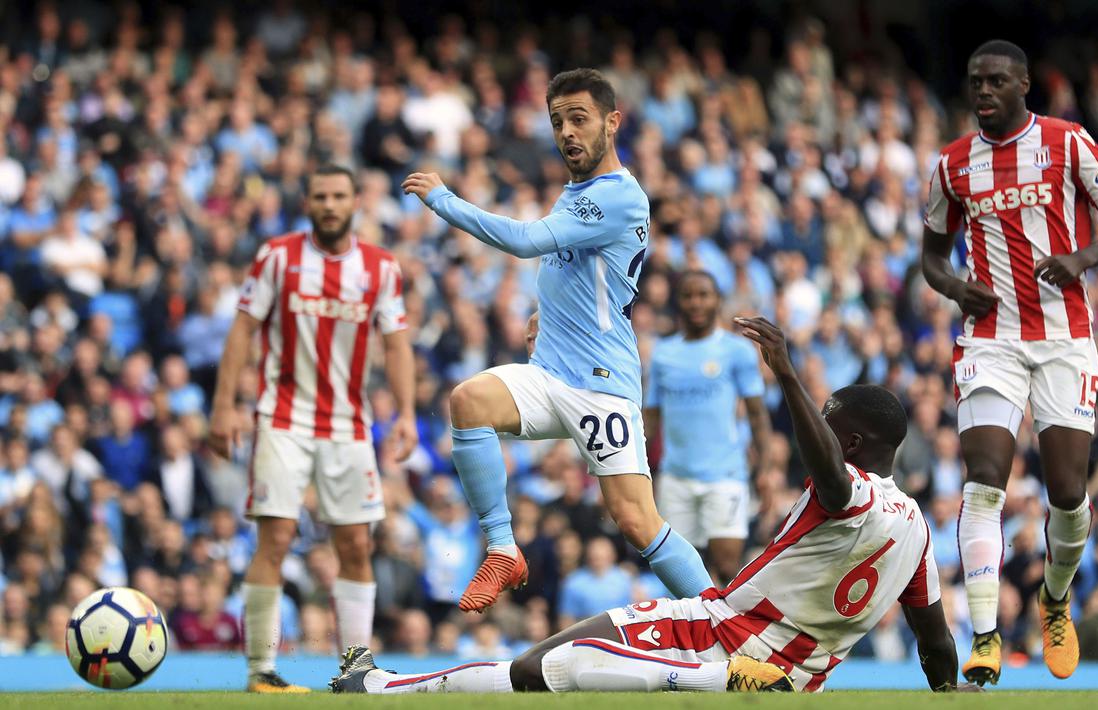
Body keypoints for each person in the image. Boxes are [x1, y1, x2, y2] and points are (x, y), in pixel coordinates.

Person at [329, 316, 974, 696]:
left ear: (852, 441)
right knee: (531, 669)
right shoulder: (916, 532)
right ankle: (382, 686)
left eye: (826, 423)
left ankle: (719, 680)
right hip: (762, 650)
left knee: (556, 664)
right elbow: (936, 642)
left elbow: (832, 479)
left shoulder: (851, 492)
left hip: (732, 640)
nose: (814, 429)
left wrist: (786, 374)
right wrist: (946, 696)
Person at [401, 68, 710, 611]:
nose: (567, 131)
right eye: (558, 121)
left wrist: (446, 200)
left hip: (601, 386)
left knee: (637, 521)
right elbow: (586, 270)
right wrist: (546, 311)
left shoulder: (619, 196)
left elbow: (526, 241)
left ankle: (724, 618)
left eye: (579, 119)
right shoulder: (579, 192)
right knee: (468, 401)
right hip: (549, 372)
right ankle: (502, 548)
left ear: (613, 123)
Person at [919, 40, 1098, 685]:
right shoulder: (952, 166)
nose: (982, 91)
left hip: (1065, 337)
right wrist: (956, 287)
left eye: (994, 81)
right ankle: (984, 636)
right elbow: (932, 256)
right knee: (983, 477)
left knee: (1068, 492)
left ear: (1023, 87)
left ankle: (1054, 599)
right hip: (989, 339)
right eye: (973, 81)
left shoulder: (1070, 142)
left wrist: (1080, 260)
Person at [207, 165, 418, 693]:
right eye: (320, 195)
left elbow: (396, 345)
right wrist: (224, 405)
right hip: (282, 418)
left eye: (339, 196)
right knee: (274, 536)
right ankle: (261, 671)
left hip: (349, 424)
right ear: (307, 202)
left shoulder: (380, 268)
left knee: (355, 546)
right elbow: (242, 329)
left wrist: (409, 414)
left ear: (354, 204)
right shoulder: (278, 256)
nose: (329, 204)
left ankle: (356, 668)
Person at [643, 270, 773, 584]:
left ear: (717, 300)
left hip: (725, 476)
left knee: (728, 570)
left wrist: (767, 468)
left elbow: (757, 414)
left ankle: (725, 633)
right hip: (676, 479)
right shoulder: (663, 354)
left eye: (704, 295)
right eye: (688, 296)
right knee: (679, 576)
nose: (696, 303)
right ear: (678, 302)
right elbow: (650, 418)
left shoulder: (736, 351)